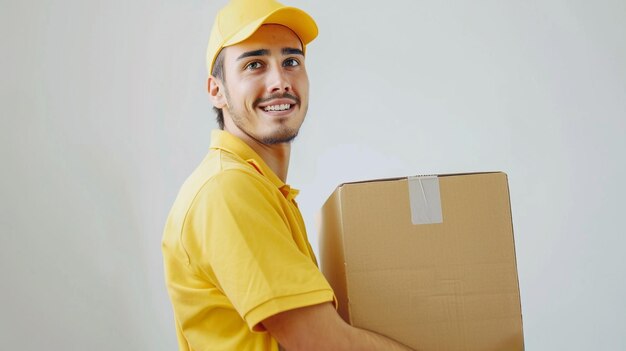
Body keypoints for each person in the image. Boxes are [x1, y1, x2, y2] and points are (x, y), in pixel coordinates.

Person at [162, 0, 414, 350]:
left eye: (291, 61)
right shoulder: (228, 189)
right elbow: (324, 344)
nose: (279, 81)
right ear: (216, 90)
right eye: (254, 65)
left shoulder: (260, 187)